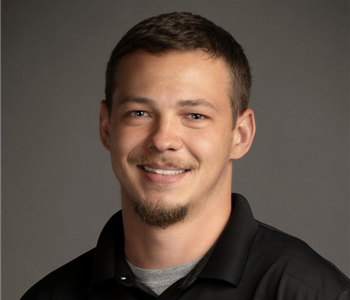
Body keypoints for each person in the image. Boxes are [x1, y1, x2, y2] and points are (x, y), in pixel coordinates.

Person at [21, 12, 350, 300]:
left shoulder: (313, 292)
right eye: (139, 113)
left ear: (241, 135)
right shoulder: (50, 295)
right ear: (107, 128)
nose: (163, 140)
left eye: (194, 116)